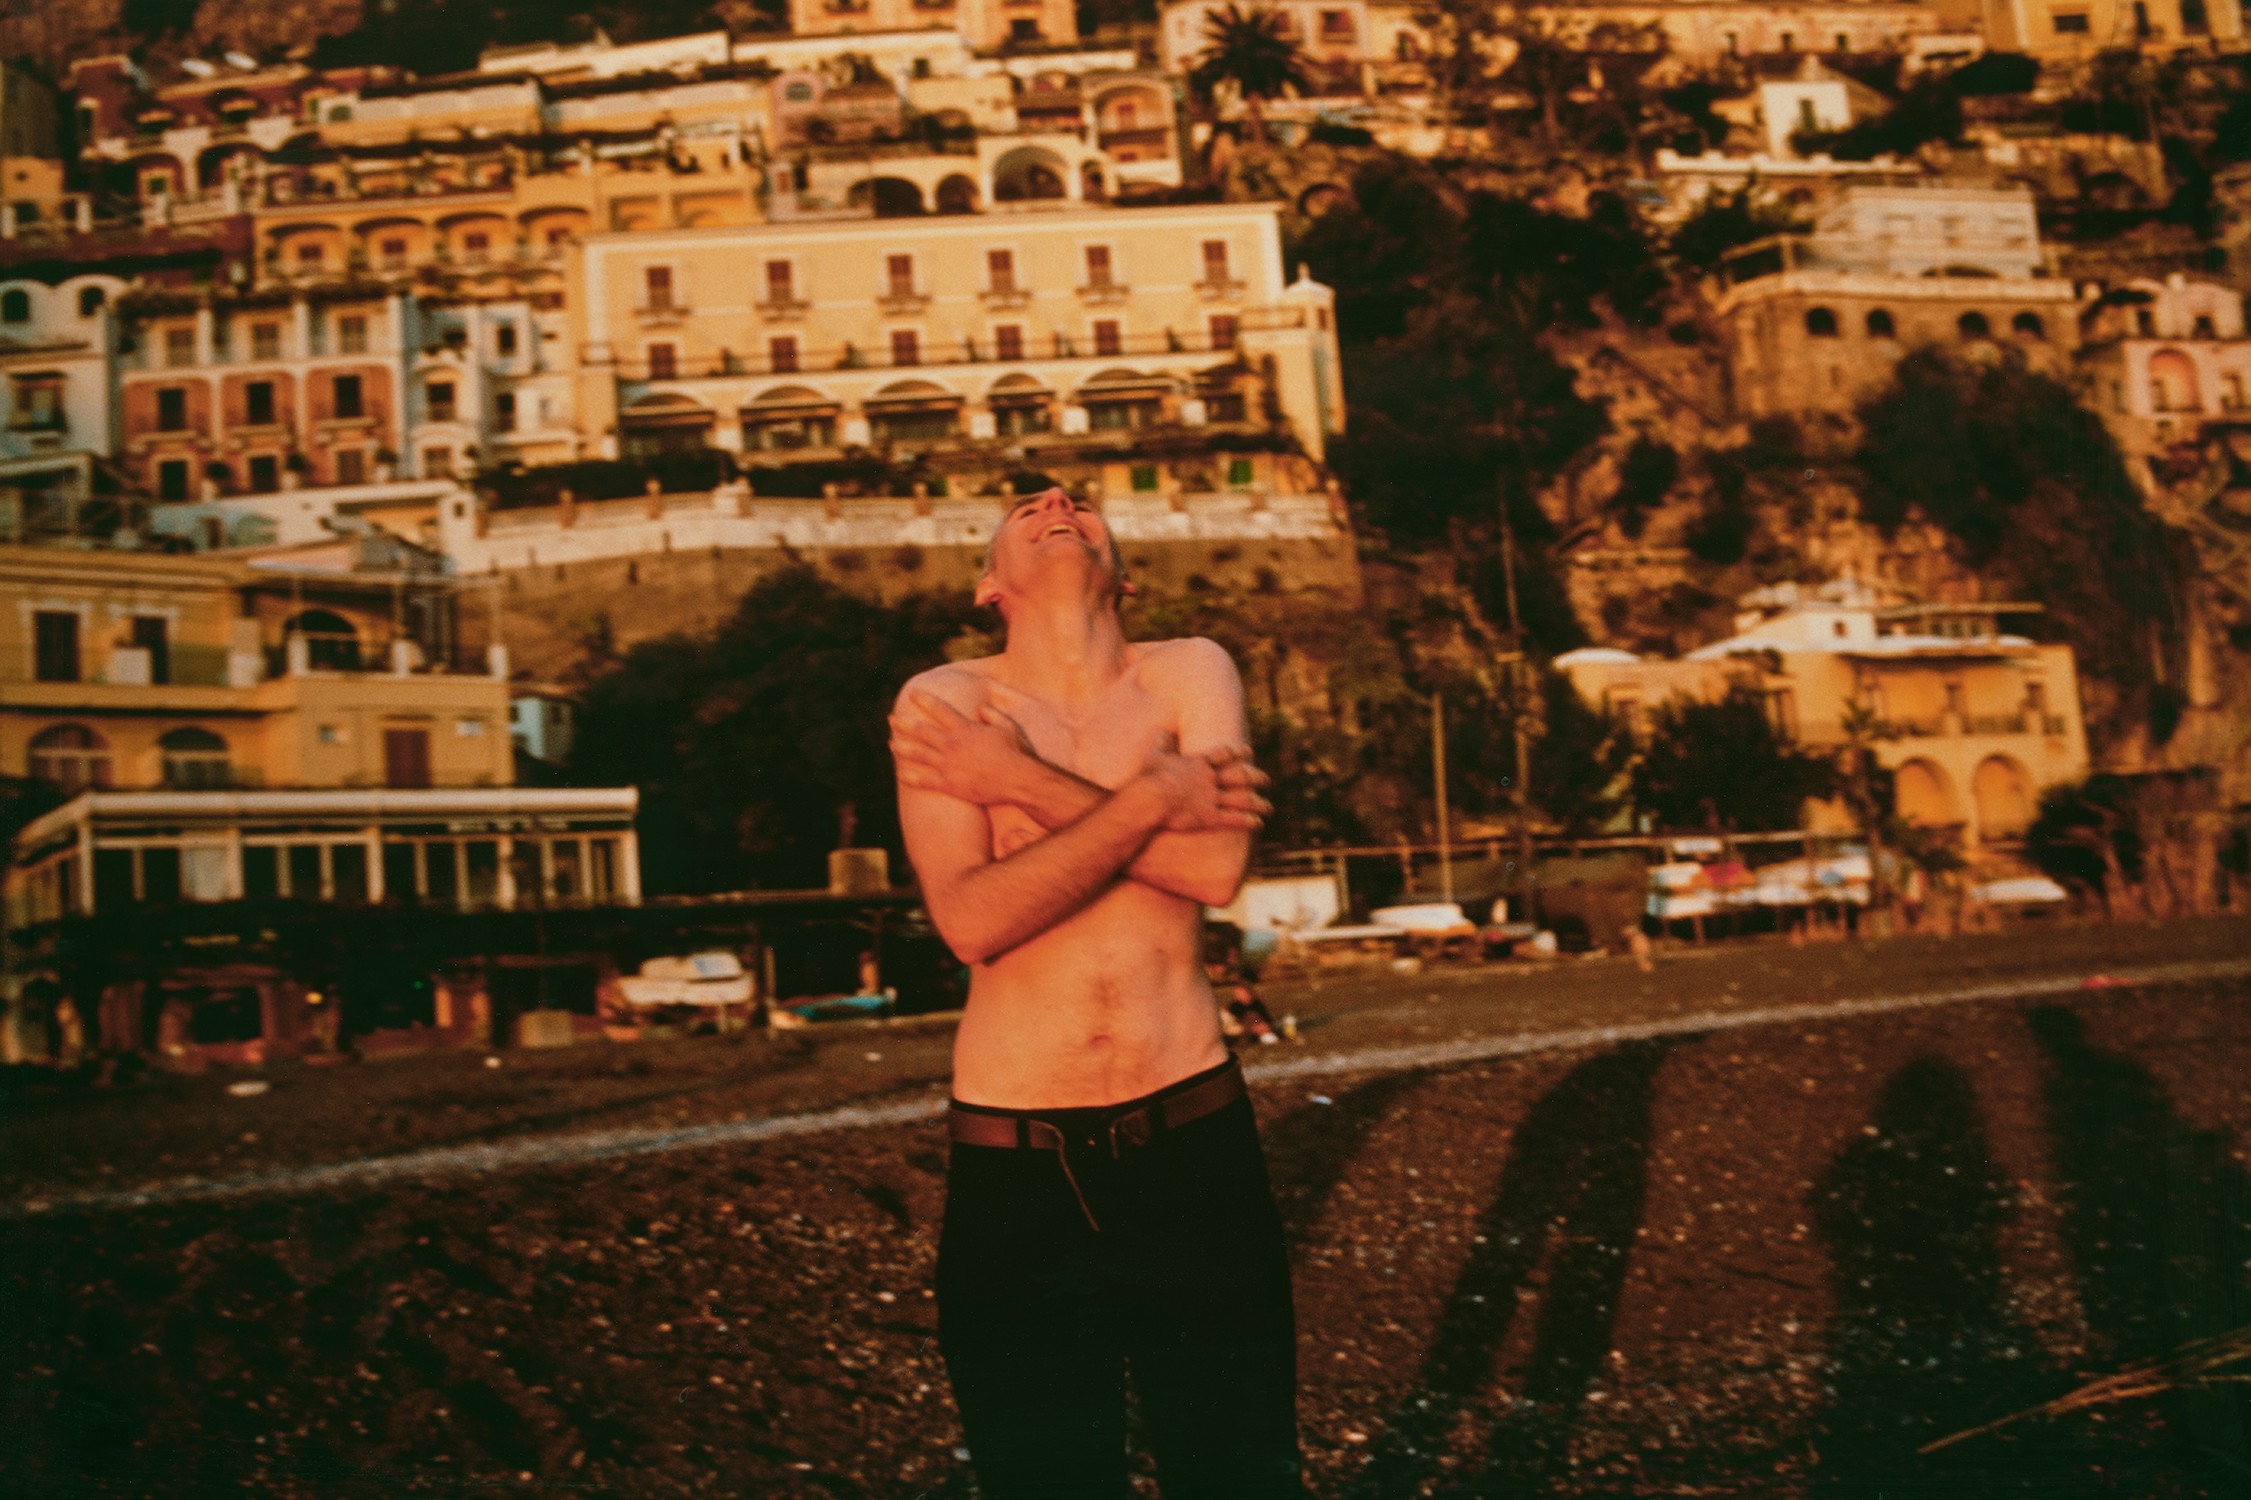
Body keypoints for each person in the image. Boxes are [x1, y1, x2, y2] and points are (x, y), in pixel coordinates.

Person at [889, 485, 1301, 1498]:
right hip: (1015, 1158)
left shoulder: (1190, 670)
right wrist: (1156, 796)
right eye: (1024, 508)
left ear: (1122, 572)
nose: (1055, 501)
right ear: (989, 585)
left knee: (1238, 1473)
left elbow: (1212, 874)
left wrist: (1020, 785)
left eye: (1078, 504)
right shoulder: (942, 704)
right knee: (1046, 1479)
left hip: (1191, 1134)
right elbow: (973, 921)